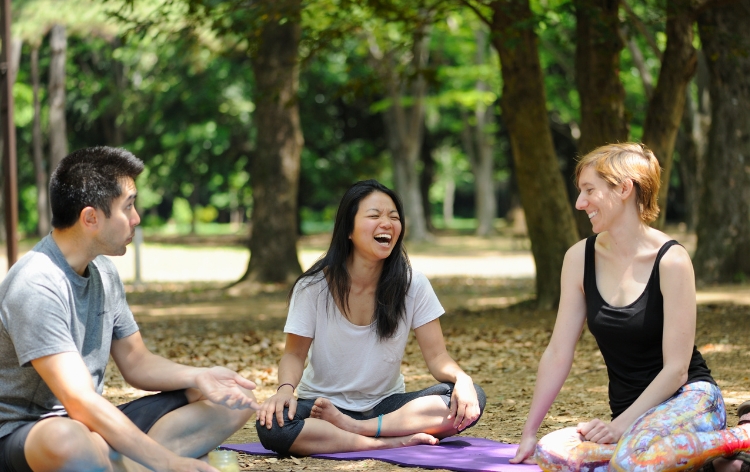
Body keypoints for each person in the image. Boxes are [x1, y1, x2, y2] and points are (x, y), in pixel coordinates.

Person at [0, 146, 258, 472]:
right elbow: (78, 399)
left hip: (92, 424)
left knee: (230, 400)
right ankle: (143, 462)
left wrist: (200, 376)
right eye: (129, 207)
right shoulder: (36, 284)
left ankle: (122, 464)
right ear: (90, 218)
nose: (136, 218)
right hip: (28, 433)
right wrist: (168, 462)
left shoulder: (104, 272)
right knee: (68, 439)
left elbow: (137, 362)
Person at [509, 143, 750, 471]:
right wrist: (529, 433)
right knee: (552, 455)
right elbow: (557, 352)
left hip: (690, 399)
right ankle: (715, 464)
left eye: (589, 191)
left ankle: (741, 436)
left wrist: (619, 426)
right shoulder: (579, 258)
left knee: (630, 463)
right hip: (635, 417)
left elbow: (677, 369)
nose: (580, 203)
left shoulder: (672, 261)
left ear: (624, 188)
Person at [255, 179, 486, 455]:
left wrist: (462, 379)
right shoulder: (313, 287)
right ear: (348, 229)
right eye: (374, 215)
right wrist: (283, 391)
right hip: (320, 407)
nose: (387, 223)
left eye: (394, 217)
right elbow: (293, 355)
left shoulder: (413, 285)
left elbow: (437, 357)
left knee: (471, 398)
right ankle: (385, 441)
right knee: (273, 426)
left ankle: (360, 429)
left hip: (386, 406)